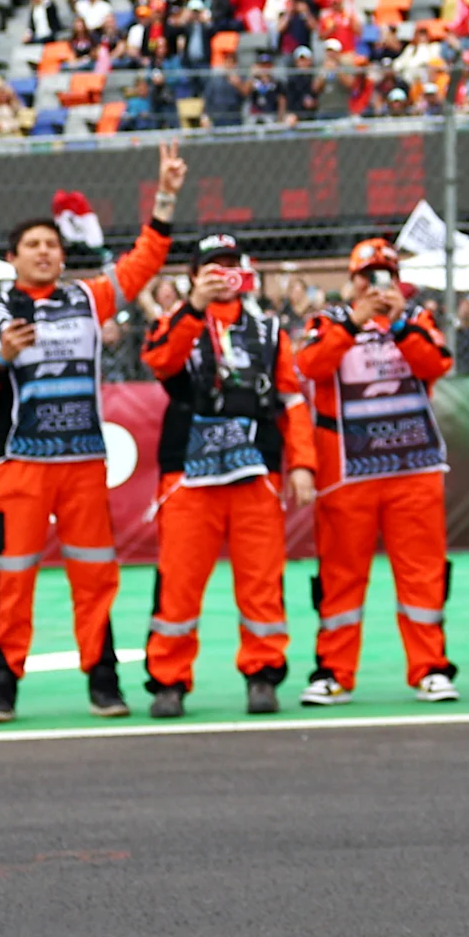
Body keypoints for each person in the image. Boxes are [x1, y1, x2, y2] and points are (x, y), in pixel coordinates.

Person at [0, 141, 183, 722]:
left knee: (96, 577)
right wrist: (1, 358)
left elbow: (144, 261)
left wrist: (168, 198)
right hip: (20, 468)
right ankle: (1, 685)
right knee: (14, 580)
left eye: (52, 245)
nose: (45, 253)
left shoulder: (88, 297)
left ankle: (103, 680)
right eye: (33, 246)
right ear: (12, 258)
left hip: (83, 465)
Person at [139, 232, 312, 717]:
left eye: (229, 266)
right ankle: (169, 681)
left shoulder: (270, 330)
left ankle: (262, 675)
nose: (221, 275)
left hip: (256, 473)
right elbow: (159, 361)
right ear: (193, 275)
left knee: (261, 580)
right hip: (187, 477)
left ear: (245, 273)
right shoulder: (174, 324)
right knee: (178, 582)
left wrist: (301, 463)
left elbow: (292, 400)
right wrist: (194, 307)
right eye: (211, 267)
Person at [293, 238, 460, 705]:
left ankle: (430, 667)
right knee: (341, 575)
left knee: (422, 573)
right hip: (347, 474)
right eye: (369, 276)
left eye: (386, 275)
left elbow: (437, 363)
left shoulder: (417, 321)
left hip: (415, 470)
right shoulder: (326, 322)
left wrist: (400, 320)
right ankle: (334, 672)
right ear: (352, 281)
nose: (377, 285)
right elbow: (311, 365)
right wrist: (355, 319)